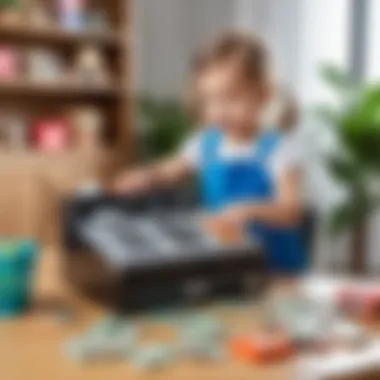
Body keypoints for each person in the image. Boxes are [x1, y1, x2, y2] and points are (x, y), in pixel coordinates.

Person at [115, 32, 307, 275]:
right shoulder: (204, 145)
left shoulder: (279, 149)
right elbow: (168, 172)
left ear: (262, 95)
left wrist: (249, 210)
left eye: (232, 98)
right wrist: (146, 176)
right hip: (225, 262)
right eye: (210, 100)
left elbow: (291, 211)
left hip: (277, 269)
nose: (219, 111)